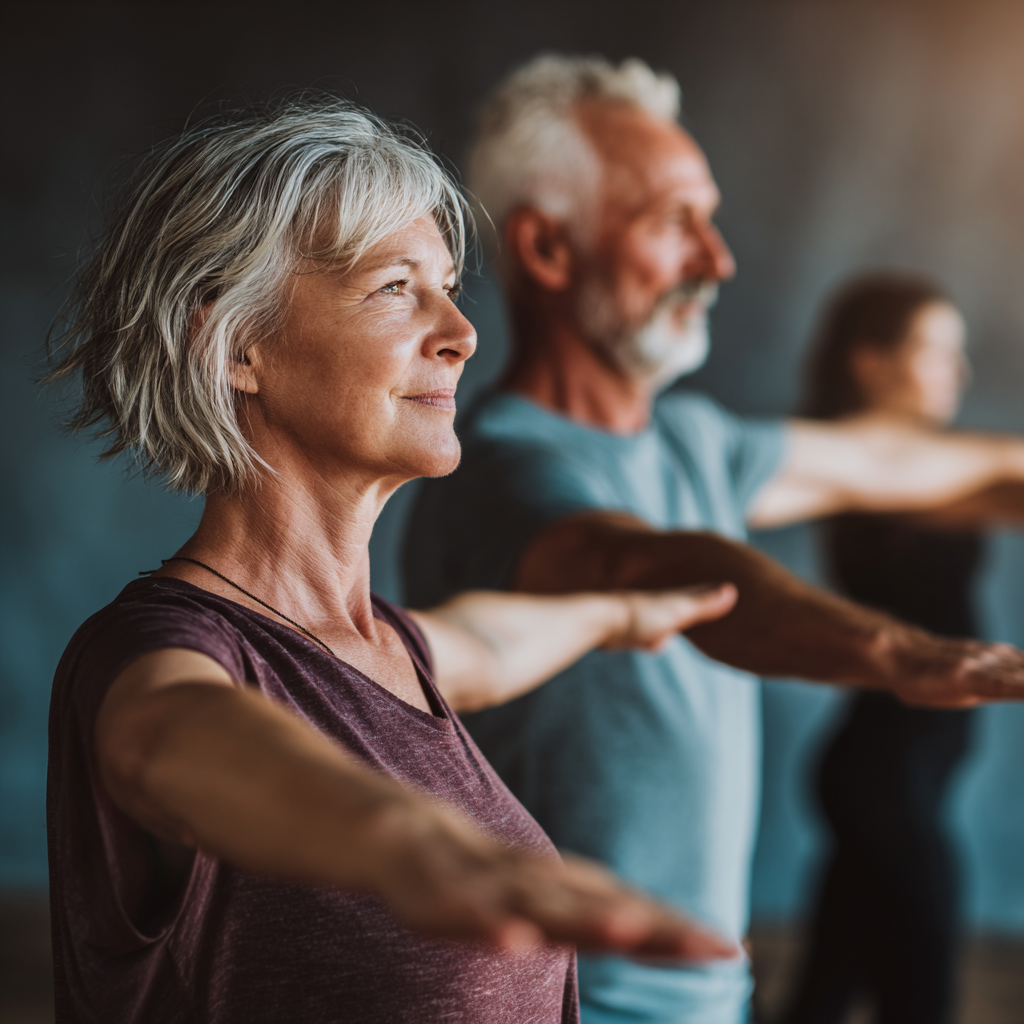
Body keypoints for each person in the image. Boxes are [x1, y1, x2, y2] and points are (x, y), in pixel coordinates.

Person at [43, 97, 754, 1024]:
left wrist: (620, 614)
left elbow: (491, 644)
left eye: (451, 286)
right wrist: (406, 843)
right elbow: (176, 739)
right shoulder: (155, 654)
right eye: (394, 286)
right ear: (232, 342)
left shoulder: (394, 650)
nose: (460, 331)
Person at [401, 55, 1024, 1024]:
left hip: (705, 997)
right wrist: (895, 651)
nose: (715, 259)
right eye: (672, 222)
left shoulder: (701, 444)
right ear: (549, 250)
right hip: (561, 1006)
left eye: (711, 218)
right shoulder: (497, 469)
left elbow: (926, 468)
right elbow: (653, 568)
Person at [779, 274, 1001, 1024]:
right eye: (938, 351)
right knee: (921, 997)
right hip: (885, 775)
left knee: (826, 995)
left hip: (897, 774)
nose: (959, 372)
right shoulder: (857, 469)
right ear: (871, 363)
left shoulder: (927, 466)